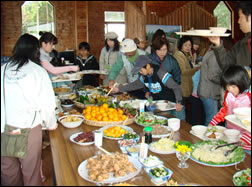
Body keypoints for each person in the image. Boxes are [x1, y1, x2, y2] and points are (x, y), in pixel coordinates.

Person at [1, 34, 57, 185]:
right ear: (35, 51)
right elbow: (47, 104)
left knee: (8, 175)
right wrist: (51, 124)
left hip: (3, 130)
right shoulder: (37, 71)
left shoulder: (2, 69)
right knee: (31, 174)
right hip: (28, 129)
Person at [111, 55, 183, 113]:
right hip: (159, 106)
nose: (140, 72)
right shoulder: (144, 77)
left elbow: (176, 87)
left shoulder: (161, 74)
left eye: (141, 70)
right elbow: (134, 85)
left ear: (148, 66)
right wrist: (118, 89)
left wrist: (178, 101)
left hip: (172, 105)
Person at [209, 65, 251, 151]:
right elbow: (225, 110)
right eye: (227, 87)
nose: (230, 89)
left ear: (243, 83)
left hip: (247, 141)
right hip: (231, 134)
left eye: (233, 87)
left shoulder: (248, 98)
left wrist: (246, 138)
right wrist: (213, 122)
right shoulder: (229, 95)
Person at [207, 1, 251, 70]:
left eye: (240, 17)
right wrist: (218, 44)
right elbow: (226, 65)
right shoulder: (240, 46)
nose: (238, 21)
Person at [173, 36, 201, 123]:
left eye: (189, 45)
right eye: (186, 45)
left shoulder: (186, 54)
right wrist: (196, 69)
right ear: (181, 45)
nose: (188, 47)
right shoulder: (178, 55)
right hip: (181, 86)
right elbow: (183, 71)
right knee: (181, 109)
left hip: (186, 86)